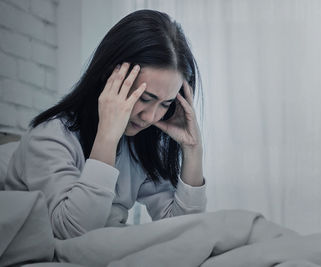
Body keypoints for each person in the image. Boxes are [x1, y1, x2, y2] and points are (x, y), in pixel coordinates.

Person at [5, 9, 207, 240]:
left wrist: (193, 150)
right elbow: (72, 234)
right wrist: (107, 137)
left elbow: (184, 231)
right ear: (110, 77)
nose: (151, 117)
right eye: (144, 98)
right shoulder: (49, 137)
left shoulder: (139, 142)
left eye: (166, 103)